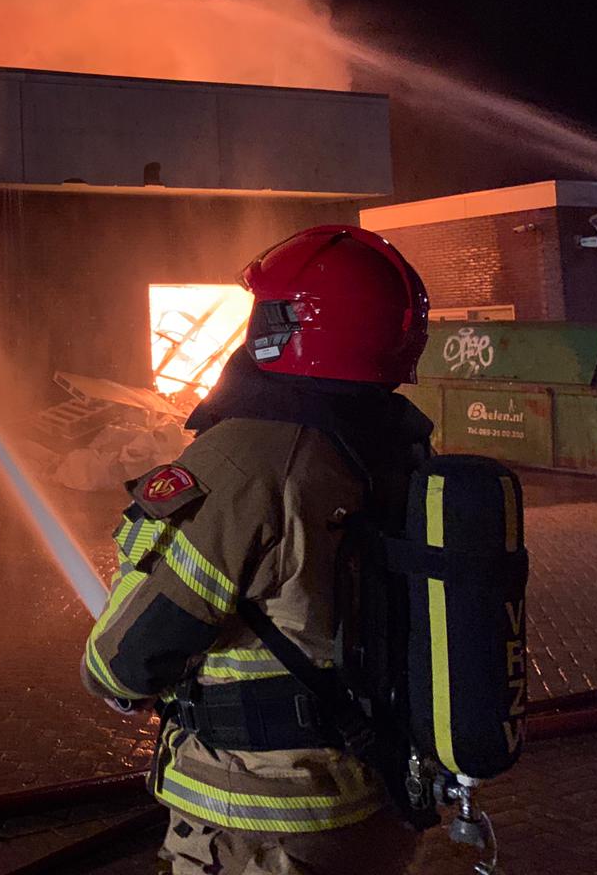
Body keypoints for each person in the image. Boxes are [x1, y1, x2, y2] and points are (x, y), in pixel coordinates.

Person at [81, 225, 434, 875]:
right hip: (375, 800)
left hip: (261, 822)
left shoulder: (248, 460)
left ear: (288, 322)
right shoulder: (395, 445)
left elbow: (128, 660)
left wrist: (109, 675)